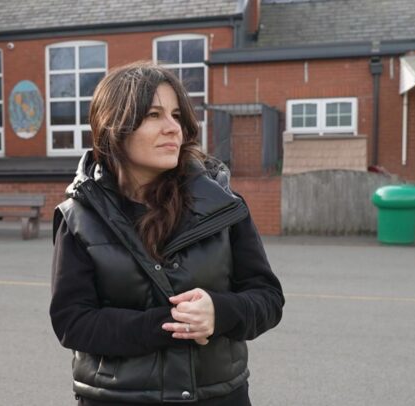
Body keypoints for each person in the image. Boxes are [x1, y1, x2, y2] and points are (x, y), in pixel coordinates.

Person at [50, 61, 284, 405]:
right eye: (154, 115)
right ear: (114, 126)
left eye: (176, 115)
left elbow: (267, 298)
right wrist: (168, 324)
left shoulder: (223, 205)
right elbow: (74, 322)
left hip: (217, 396)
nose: (173, 128)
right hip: (117, 398)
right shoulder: (79, 217)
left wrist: (220, 313)